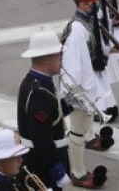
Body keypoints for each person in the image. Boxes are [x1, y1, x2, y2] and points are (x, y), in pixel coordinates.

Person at [61, 0, 115, 188]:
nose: (96, 8)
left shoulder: (84, 23)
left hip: (85, 85)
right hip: (79, 88)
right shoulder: (77, 28)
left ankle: (80, 169)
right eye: (94, 4)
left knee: (82, 128)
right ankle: (78, 172)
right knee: (77, 130)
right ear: (83, 4)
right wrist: (75, 93)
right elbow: (73, 63)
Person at [18, 30, 73, 190]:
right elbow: (42, 139)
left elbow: (53, 114)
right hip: (43, 163)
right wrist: (57, 171)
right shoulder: (38, 92)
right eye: (58, 55)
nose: (61, 59)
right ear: (45, 59)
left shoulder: (41, 83)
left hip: (48, 156)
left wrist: (70, 103)